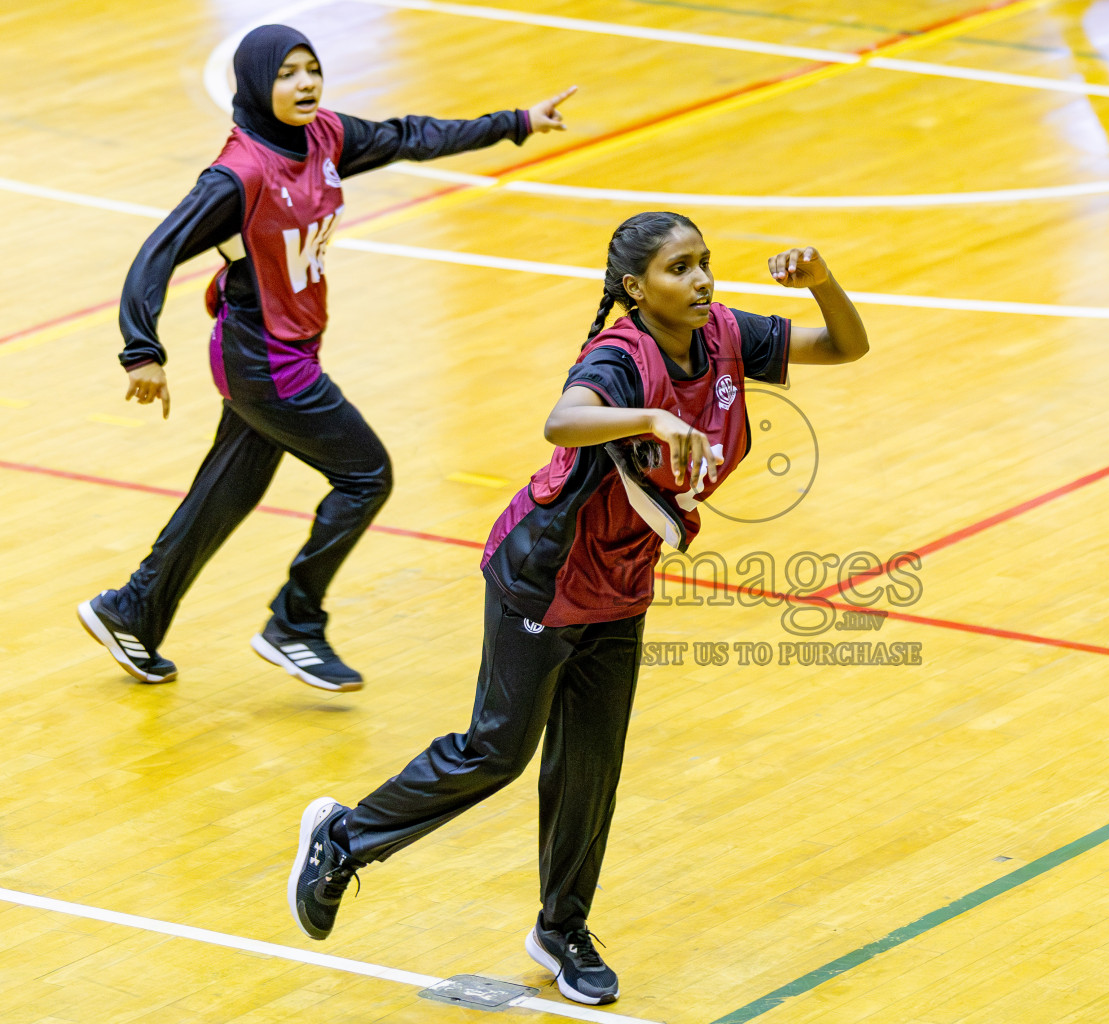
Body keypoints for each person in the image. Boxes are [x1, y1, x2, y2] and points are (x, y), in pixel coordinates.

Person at [286, 212, 869, 1005]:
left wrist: (824, 282)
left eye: (705, 263)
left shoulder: (727, 336)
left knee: (590, 770)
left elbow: (846, 346)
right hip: (544, 574)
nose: (701, 280)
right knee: (497, 751)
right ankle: (343, 840)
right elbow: (563, 419)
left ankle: (561, 929)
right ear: (636, 288)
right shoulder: (621, 358)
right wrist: (654, 417)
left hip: (624, 582)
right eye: (679, 269)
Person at [76, 24, 576, 691]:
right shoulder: (239, 174)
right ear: (257, 84)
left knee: (228, 492)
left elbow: (408, 135)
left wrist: (514, 122)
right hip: (265, 361)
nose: (306, 83)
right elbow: (155, 253)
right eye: (286, 74)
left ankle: (134, 611)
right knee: (367, 475)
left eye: (311, 68)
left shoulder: (326, 137)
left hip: (290, 348)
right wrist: (142, 350)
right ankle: (295, 621)